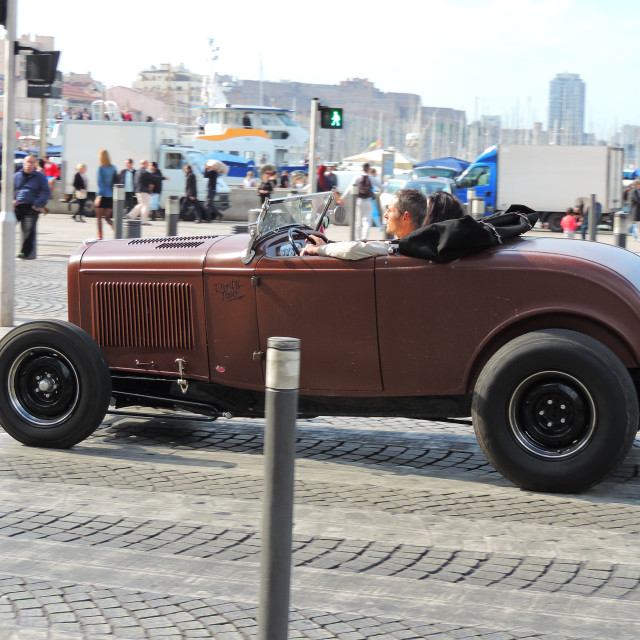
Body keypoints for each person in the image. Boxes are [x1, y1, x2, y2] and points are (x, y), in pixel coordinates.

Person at [301, 190, 465, 260]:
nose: (385, 215)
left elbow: (354, 249)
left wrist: (318, 249)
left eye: (427, 213)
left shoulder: (414, 247)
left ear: (405, 217)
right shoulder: (431, 247)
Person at [13, 155, 51, 259]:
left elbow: (46, 192)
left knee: (29, 230)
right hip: (17, 206)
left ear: (35, 164)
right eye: (27, 162)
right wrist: (12, 200)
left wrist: (38, 204)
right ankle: (4, 249)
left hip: (31, 207)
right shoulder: (16, 176)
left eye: (31, 162)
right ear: (23, 163)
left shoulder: (40, 177)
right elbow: (9, 189)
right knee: (5, 227)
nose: (29, 164)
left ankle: (24, 253)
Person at [339, 163, 383, 241]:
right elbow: (382, 187)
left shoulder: (357, 178)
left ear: (362, 169)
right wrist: (388, 184)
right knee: (367, 220)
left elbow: (350, 188)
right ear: (369, 169)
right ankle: (364, 237)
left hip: (359, 201)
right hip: (368, 201)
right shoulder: (372, 179)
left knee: (358, 221)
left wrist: (342, 198)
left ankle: (357, 238)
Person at [94, 149, 117, 240]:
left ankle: (100, 236)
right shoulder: (113, 168)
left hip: (102, 195)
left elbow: (100, 183)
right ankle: (117, 229)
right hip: (110, 195)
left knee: (99, 217)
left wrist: (98, 196)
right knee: (107, 218)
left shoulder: (100, 168)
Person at [127, 159, 154, 225]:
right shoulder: (144, 172)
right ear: (144, 164)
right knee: (145, 206)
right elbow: (152, 178)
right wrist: (163, 178)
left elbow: (136, 182)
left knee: (141, 205)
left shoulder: (137, 172)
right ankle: (144, 221)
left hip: (138, 191)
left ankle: (131, 215)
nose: (147, 165)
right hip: (143, 191)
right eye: (147, 164)